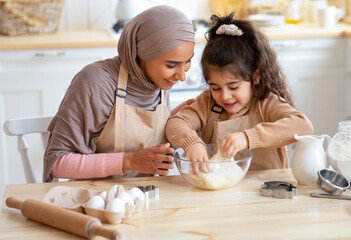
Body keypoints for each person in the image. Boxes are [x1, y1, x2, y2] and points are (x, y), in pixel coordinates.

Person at [43, 5, 195, 182]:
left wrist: (183, 113)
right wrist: (129, 161)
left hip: (143, 195)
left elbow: (146, 134)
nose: (182, 76)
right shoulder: (97, 82)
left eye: (187, 62)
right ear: (141, 55)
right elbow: (57, 163)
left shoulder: (155, 82)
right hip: (93, 198)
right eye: (171, 65)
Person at [165, 12, 313, 170]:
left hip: (266, 189)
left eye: (233, 87)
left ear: (255, 76)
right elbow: (175, 123)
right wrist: (191, 143)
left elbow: (303, 126)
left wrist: (248, 137)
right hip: (219, 190)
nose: (225, 96)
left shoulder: (265, 103)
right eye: (215, 88)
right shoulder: (207, 103)